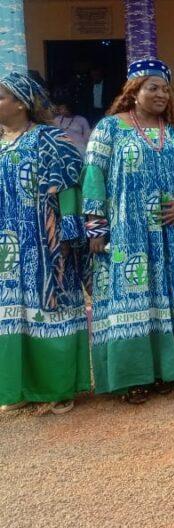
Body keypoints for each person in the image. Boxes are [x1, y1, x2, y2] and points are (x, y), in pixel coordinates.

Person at [83, 59, 174, 404]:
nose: (161, 94)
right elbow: (94, 176)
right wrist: (96, 227)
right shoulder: (110, 128)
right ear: (134, 91)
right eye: (152, 88)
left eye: (165, 89)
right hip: (129, 235)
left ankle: (169, 370)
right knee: (133, 298)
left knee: (168, 298)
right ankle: (133, 377)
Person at [0, 73, 88, 415]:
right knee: (12, 312)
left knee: (51, 309)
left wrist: (67, 234)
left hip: (45, 242)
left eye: (1, 96)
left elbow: (70, 184)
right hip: (7, 246)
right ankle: (20, 386)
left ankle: (57, 387)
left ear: (21, 103)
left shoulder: (50, 139)